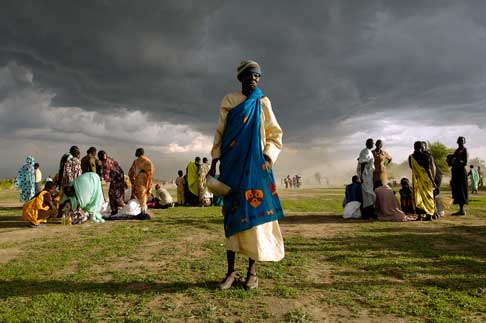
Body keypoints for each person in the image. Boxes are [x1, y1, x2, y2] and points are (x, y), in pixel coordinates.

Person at [209, 60, 284, 290]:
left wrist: (268, 158)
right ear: (240, 78)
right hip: (231, 167)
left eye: (257, 76)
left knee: (255, 219)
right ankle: (231, 272)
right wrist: (214, 163)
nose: (253, 79)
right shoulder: (229, 101)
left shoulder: (263, 102)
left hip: (256, 169)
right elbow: (220, 132)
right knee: (232, 217)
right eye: (249, 75)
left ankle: (252, 271)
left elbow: (275, 134)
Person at [409, 141, 436, 221]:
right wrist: (433, 181)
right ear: (422, 147)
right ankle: (429, 215)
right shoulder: (426, 156)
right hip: (426, 180)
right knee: (428, 196)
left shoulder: (411, 157)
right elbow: (428, 170)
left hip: (417, 180)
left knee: (418, 197)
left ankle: (420, 216)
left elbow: (412, 168)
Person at [98, 151, 125, 215]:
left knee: (113, 195)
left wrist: (101, 178)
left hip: (117, 179)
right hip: (118, 178)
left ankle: (115, 210)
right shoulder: (108, 160)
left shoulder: (106, 163)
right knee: (115, 195)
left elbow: (106, 177)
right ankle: (116, 210)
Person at [128, 148, 154, 214]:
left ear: (139, 153)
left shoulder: (136, 162)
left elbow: (131, 172)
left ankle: (142, 210)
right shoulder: (148, 161)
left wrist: (132, 179)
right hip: (147, 179)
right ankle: (143, 209)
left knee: (141, 194)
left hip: (139, 179)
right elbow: (151, 171)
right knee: (144, 194)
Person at [448, 136, 468, 216]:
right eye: (459, 140)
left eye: (462, 141)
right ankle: (460, 210)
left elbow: (465, 162)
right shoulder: (457, 151)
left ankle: (462, 210)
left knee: (461, 189)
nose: (460, 142)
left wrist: (456, 161)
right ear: (457, 142)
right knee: (456, 189)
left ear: (464, 142)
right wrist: (450, 158)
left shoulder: (464, 150)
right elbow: (452, 160)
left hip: (461, 172)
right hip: (455, 171)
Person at [358, 138, 376, 219]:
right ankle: (368, 214)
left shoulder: (368, 152)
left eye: (373, 143)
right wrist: (361, 176)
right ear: (367, 143)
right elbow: (362, 164)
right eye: (372, 143)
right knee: (367, 194)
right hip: (365, 176)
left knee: (368, 194)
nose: (373, 144)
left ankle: (369, 213)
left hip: (369, 175)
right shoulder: (366, 151)